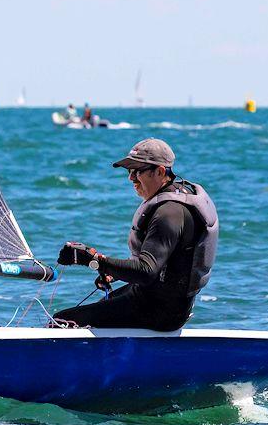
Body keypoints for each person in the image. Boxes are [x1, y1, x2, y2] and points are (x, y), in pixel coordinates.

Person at [53, 138, 218, 331]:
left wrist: (93, 260)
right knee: (108, 301)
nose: (131, 178)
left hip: (160, 311)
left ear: (160, 171)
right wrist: (113, 273)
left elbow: (146, 271)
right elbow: (163, 265)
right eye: (129, 171)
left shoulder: (169, 213)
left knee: (62, 322)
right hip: (157, 299)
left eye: (137, 171)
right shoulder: (176, 196)